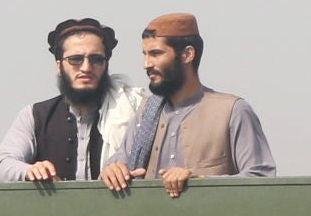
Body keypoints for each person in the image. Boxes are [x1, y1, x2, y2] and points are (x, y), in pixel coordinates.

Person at [103, 11, 276, 197]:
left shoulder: (231, 111)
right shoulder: (147, 111)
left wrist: (199, 181)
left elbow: (261, 178)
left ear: (187, 54)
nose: (146, 64)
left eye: (156, 54)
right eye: (145, 55)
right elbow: (119, 162)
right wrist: (113, 171)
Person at [0, 17, 145, 182]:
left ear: (106, 65)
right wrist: (31, 170)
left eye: (96, 60)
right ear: (59, 66)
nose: (86, 68)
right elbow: (4, 164)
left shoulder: (133, 110)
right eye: (75, 60)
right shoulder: (35, 115)